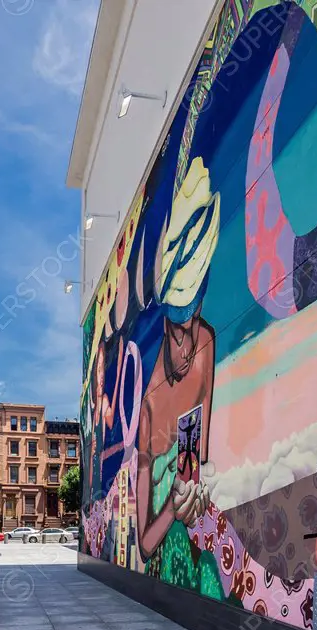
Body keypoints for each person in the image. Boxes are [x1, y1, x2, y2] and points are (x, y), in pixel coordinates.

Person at [136, 155, 223, 599]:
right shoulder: (149, 405)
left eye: (192, 330)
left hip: (192, 545)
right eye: (176, 333)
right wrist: (172, 508)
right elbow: (144, 544)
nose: (187, 348)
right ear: (165, 326)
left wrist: (192, 495)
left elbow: (192, 465)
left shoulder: (206, 344)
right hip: (167, 558)